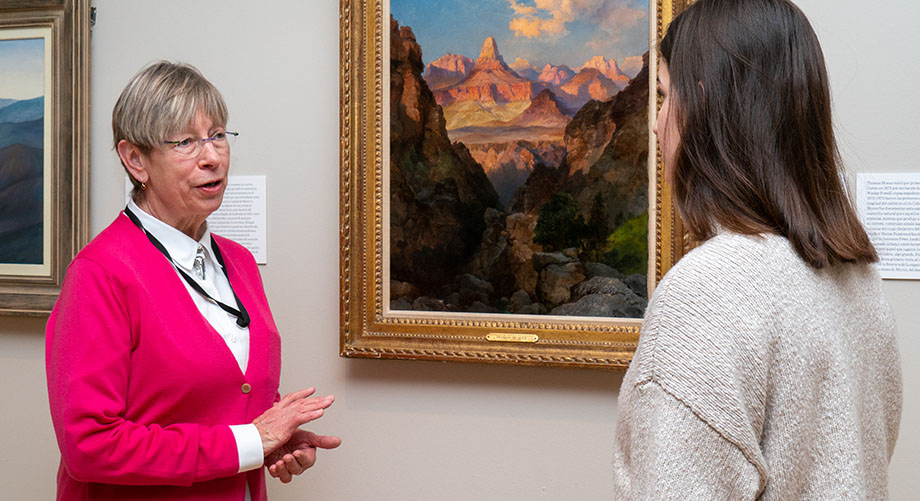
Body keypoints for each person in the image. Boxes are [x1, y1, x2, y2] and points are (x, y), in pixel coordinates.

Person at [612, 0, 902, 499]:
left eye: (664, 97)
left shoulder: (705, 293)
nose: (657, 125)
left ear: (704, 104)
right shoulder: (858, 280)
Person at [45, 61, 341, 500]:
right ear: (135, 160)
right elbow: (89, 446)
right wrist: (248, 442)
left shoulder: (237, 262)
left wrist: (275, 438)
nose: (212, 156)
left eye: (217, 135)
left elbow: (227, 395)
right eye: (185, 142)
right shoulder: (100, 274)